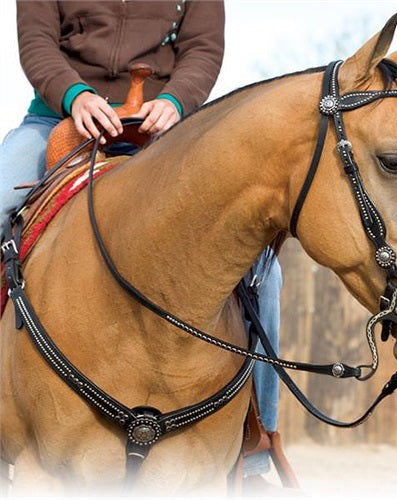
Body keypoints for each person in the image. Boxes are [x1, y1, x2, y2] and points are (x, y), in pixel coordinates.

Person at [1, 0, 280, 484]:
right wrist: (75, 95)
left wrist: (175, 101)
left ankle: (258, 444)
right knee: (2, 199)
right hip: (58, 118)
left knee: (263, 270)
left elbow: (202, 48)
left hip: (164, 124)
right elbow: (37, 42)